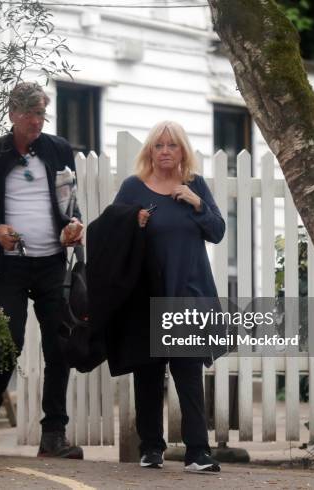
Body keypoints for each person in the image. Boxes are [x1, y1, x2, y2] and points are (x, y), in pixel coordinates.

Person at [113, 121, 225, 473]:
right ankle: (150, 448)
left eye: (171, 146)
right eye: (158, 145)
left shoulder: (195, 186)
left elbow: (218, 232)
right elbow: (112, 232)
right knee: (148, 372)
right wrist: (135, 222)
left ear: (182, 151)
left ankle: (197, 452)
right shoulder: (133, 187)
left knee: (188, 370)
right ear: (150, 151)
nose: (164, 151)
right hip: (146, 291)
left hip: (187, 291)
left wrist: (197, 205)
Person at [0, 82, 83, 459]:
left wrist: (74, 224)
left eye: (40, 114)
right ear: (12, 114)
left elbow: (70, 202)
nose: (35, 122)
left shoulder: (57, 149)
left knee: (60, 346)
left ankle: (53, 435)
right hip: (11, 265)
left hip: (52, 262)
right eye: (28, 114)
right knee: (9, 344)